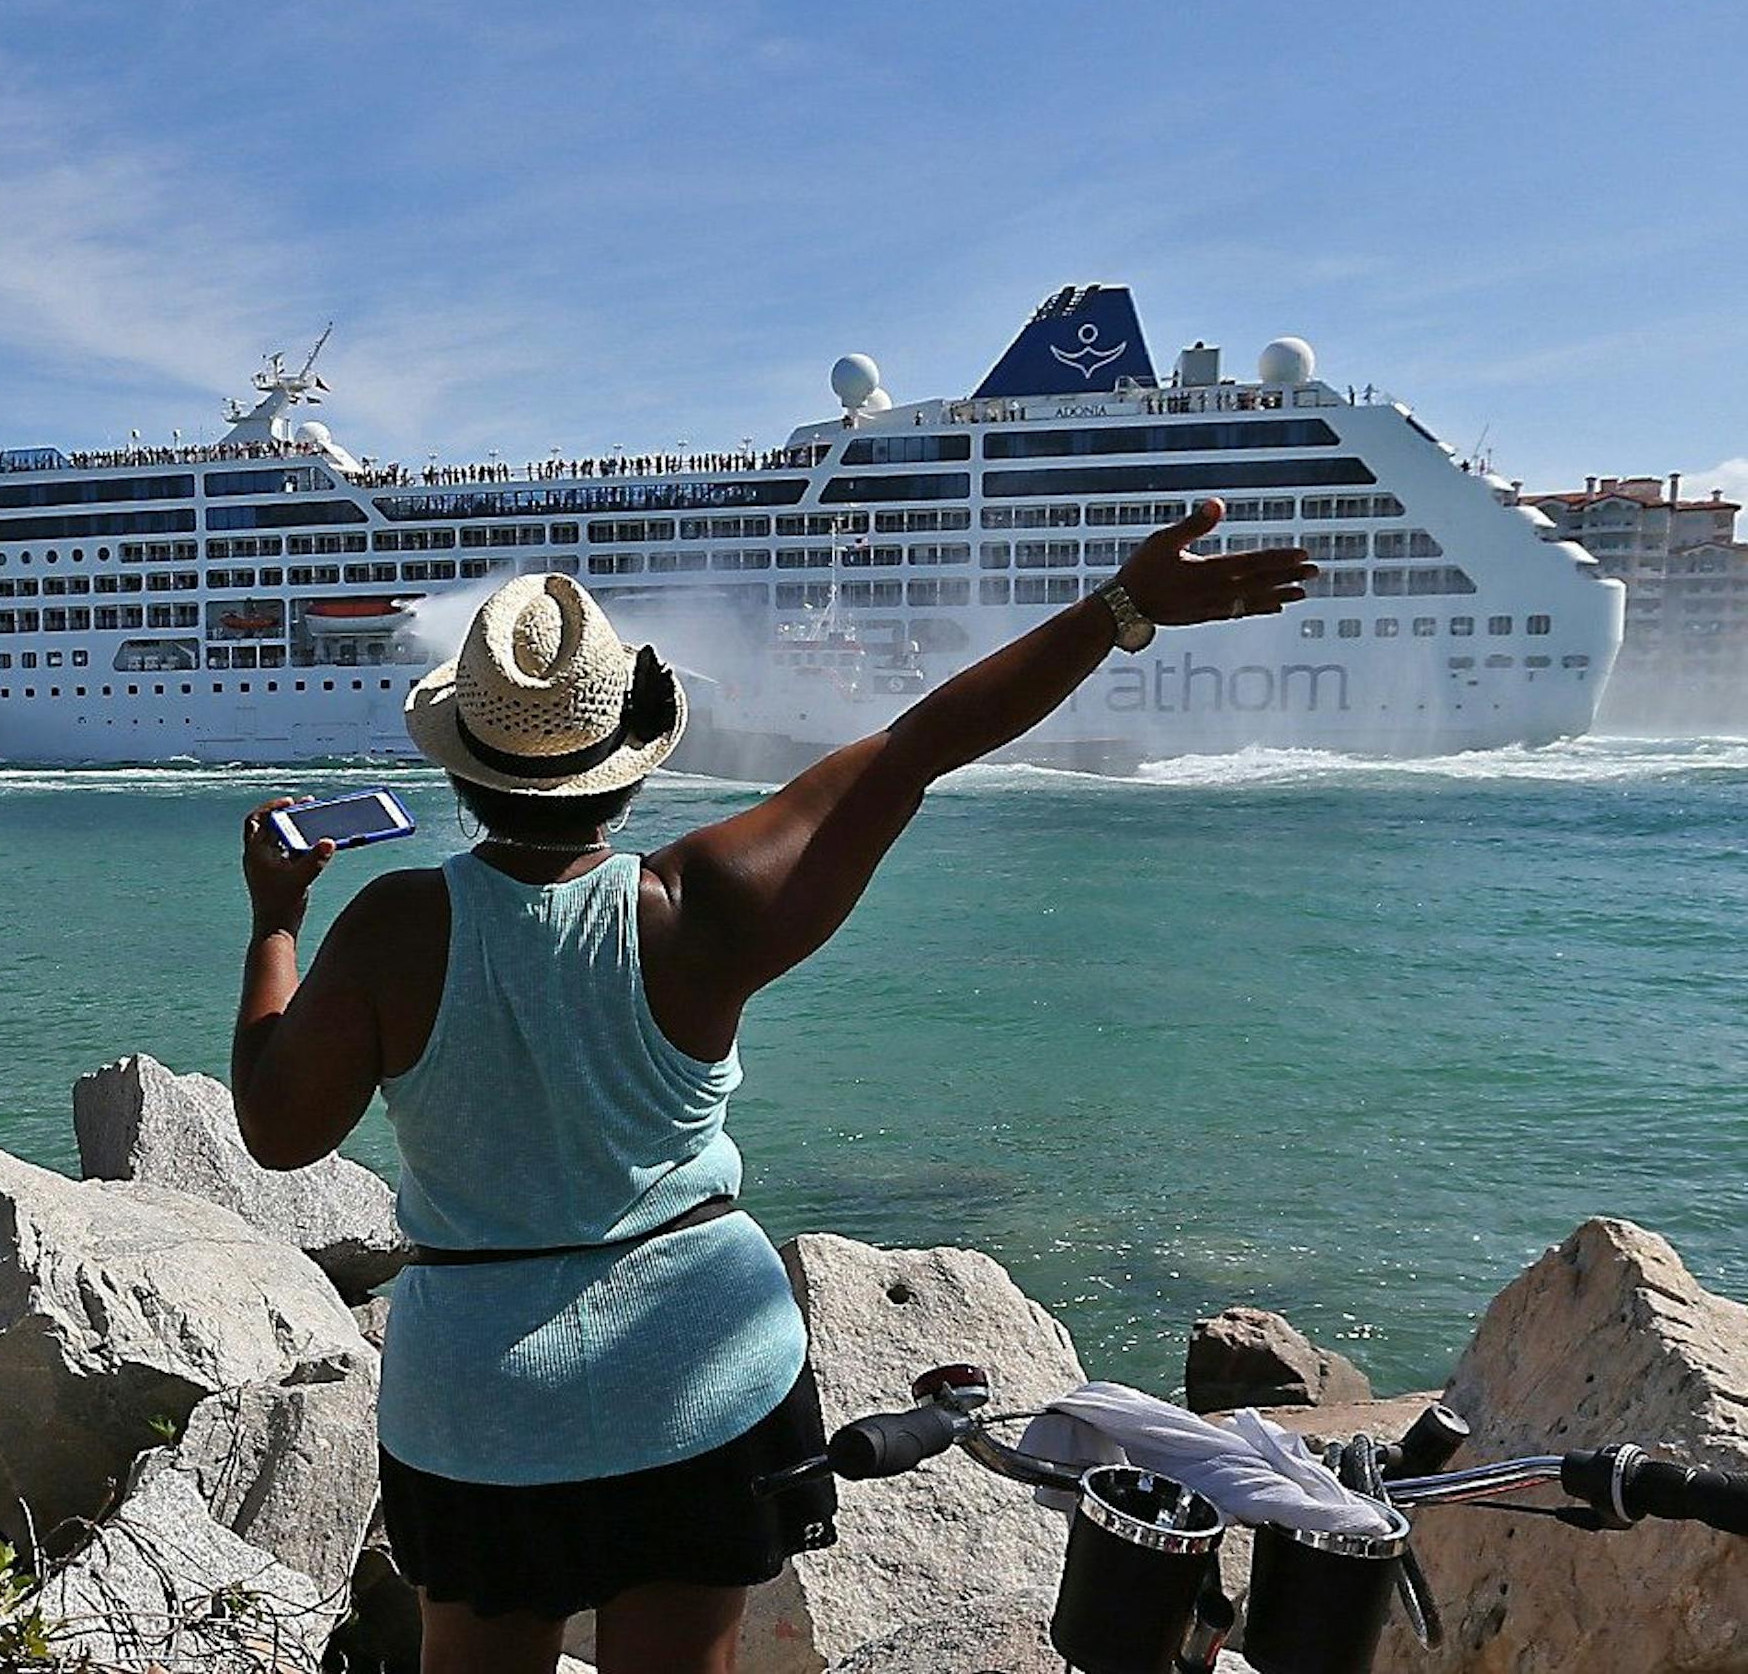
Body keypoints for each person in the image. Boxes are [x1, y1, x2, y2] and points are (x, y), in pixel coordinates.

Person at [232, 499, 1314, 1674]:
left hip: (481, 1405)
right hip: (698, 1371)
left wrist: (276, 922)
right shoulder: (699, 904)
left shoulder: (398, 927)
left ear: (465, 765)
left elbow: (279, 1131)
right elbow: (919, 747)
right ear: (623, 760)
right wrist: (1120, 609)